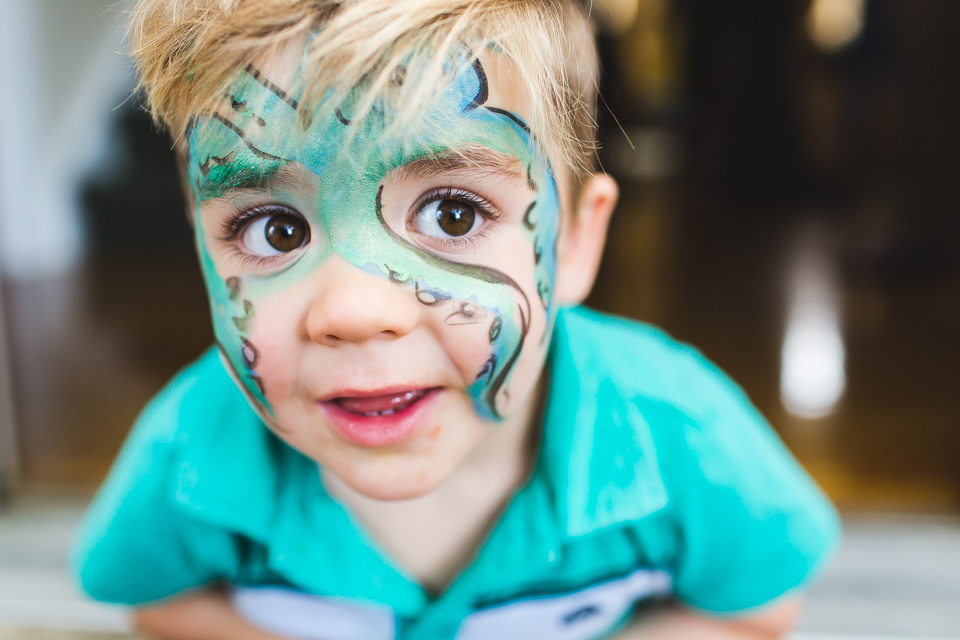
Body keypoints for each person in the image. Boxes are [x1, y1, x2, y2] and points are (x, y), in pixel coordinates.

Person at [72, 1, 840, 638]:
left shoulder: (677, 434)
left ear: (575, 241)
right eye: (275, 229)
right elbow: (159, 601)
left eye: (452, 212)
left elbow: (756, 607)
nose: (353, 311)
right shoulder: (191, 455)